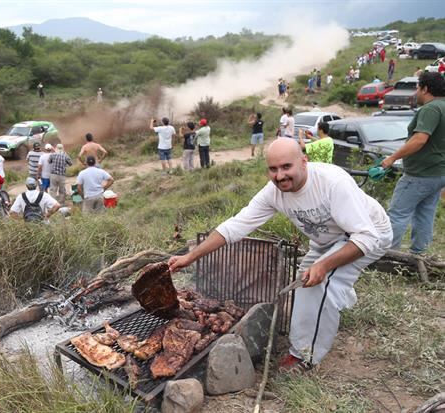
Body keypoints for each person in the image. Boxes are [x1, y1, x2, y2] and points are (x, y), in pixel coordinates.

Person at [168, 138, 392, 371]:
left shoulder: (332, 183)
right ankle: (337, 295)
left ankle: (305, 356)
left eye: (287, 167)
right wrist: (190, 257)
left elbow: (366, 237)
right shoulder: (273, 193)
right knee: (305, 280)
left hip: (367, 234)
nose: (280, 176)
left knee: (317, 285)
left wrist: (324, 266)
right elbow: (234, 227)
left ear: (304, 162)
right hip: (328, 240)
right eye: (273, 169)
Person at [381, 72, 445, 254]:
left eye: (418, 87)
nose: (416, 92)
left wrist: (392, 157)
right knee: (425, 214)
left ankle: (387, 255)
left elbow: (420, 139)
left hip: (420, 174)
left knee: (397, 215)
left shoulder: (431, 109)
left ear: (425, 89)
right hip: (438, 173)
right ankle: (418, 255)